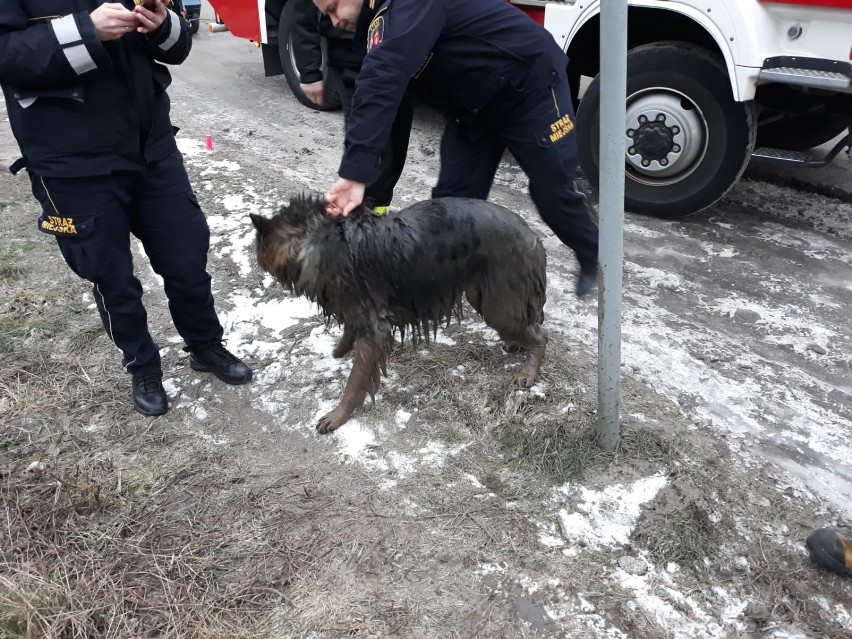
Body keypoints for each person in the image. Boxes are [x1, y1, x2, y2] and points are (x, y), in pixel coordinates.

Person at [1, 0, 252, 417]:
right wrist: (86, 31)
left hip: (151, 147)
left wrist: (162, 24)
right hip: (70, 162)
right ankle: (142, 365)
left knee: (186, 255)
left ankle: (204, 343)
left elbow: (178, 46)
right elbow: (7, 55)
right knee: (110, 275)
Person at [315, 0, 600, 297]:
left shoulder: (408, 7)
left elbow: (382, 80)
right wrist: (365, 181)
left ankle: (594, 254)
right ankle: (446, 284)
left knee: (554, 193)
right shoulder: (379, 28)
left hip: (530, 89)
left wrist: (353, 174)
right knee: (450, 206)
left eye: (334, 7)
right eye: (326, 14)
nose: (333, 21)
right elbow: (389, 109)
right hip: (473, 107)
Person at [291, 0, 412, 213]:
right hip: (351, 57)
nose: (335, 20)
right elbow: (302, 9)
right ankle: (364, 216)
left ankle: (376, 211)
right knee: (368, 139)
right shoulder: (337, 18)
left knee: (395, 142)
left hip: (394, 50)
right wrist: (309, 68)